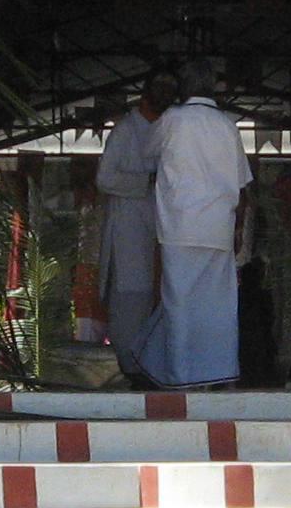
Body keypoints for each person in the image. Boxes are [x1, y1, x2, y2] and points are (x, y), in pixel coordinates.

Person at [143, 59, 251, 389]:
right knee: (218, 308)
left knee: (180, 305)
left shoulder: (172, 119)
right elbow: (242, 181)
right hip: (218, 227)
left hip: (180, 226)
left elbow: (147, 154)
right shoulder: (228, 125)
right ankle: (221, 374)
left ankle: (181, 378)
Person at [93, 72, 177, 387]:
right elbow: (104, 178)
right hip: (129, 228)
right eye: (161, 91)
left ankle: (151, 367)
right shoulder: (125, 131)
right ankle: (129, 369)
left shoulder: (166, 131)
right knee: (131, 298)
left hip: (158, 228)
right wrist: (146, 181)